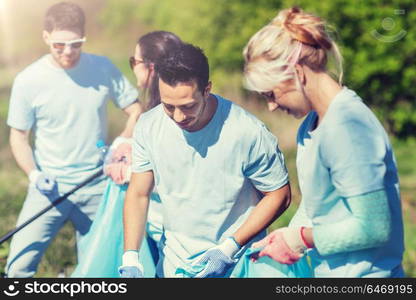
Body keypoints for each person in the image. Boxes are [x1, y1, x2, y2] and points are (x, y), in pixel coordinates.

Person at [243, 7, 404, 277]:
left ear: (297, 72)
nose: (271, 106)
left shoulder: (349, 128)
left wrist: (301, 238)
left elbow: (375, 227)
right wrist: (284, 238)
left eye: (272, 93)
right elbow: (317, 206)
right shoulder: (310, 126)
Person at [119, 42, 292, 278]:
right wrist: (131, 257)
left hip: (239, 263)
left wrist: (229, 249)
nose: (178, 117)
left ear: (207, 89)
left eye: (188, 106)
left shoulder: (247, 131)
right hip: (176, 266)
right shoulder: (148, 126)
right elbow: (139, 193)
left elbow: (279, 195)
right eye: (168, 106)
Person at [5, 2, 142, 277]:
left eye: (76, 44)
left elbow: (136, 109)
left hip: (97, 186)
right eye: (59, 45)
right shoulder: (28, 79)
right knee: (17, 267)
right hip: (48, 189)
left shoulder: (102, 68)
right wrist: (33, 175)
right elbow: (19, 137)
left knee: (100, 270)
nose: (68, 52)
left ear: (84, 38)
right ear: (46, 37)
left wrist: (122, 142)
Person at [71, 31, 184, 277]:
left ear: (150, 67)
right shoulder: (159, 111)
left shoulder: (171, 114)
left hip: (175, 224)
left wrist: (130, 172)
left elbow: (177, 174)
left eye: (134, 62)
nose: (132, 69)